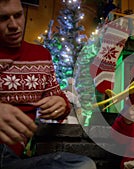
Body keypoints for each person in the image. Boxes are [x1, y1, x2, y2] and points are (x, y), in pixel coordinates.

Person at [0, 0, 96, 168]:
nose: (14, 25)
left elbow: (58, 98)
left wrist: (61, 103)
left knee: (83, 165)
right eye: (3, 18)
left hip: (11, 160)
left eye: (18, 15)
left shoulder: (40, 55)